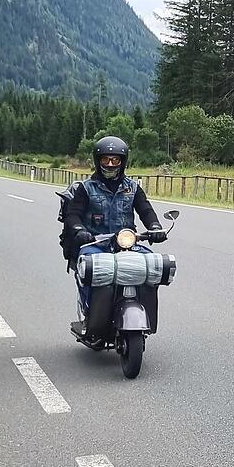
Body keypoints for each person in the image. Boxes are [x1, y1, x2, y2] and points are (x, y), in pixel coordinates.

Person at [63, 136, 166, 336]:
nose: (110, 164)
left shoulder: (132, 187)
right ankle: (89, 314)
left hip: (127, 242)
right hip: (96, 242)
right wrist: (79, 230)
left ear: (123, 161)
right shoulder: (86, 188)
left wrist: (155, 227)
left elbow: (145, 209)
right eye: (106, 160)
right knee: (88, 271)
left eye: (115, 160)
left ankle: (145, 313)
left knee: (153, 269)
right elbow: (73, 214)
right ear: (97, 160)